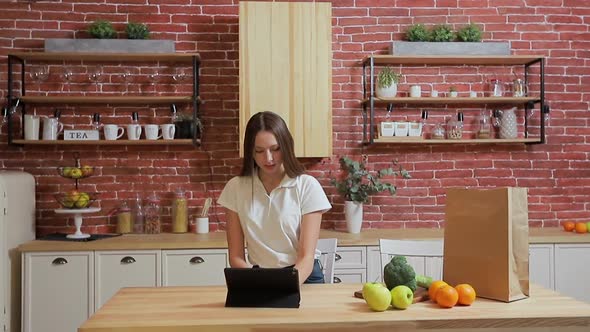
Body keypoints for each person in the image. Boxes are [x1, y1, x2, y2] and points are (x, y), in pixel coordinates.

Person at [218, 111, 332, 284]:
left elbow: (306, 259)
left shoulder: (307, 186)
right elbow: (236, 257)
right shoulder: (236, 188)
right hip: (258, 277)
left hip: (303, 277)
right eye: (259, 151)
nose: (268, 158)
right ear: (251, 152)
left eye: (275, 149)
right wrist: (261, 284)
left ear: (286, 146)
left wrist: (283, 288)